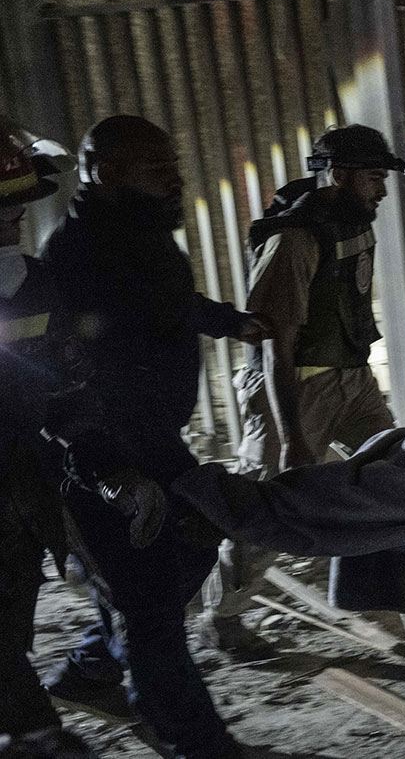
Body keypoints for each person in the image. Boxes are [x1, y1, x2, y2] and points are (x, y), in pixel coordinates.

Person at [39, 116, 266, 759]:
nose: (174, 177)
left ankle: (92, 672)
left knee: (171, 559)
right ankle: (194, 740)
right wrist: (102, 460)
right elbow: (57, 365)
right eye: (156, 166)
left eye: (173, 164)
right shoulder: (78, 252)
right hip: (107, 448)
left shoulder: (138, 236)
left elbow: (165, 304)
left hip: (150, 434)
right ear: (106, 171)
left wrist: (230, 321)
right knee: (151, 604)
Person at [200, 125, 403, 649]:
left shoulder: (353, 221)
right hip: (293, 387)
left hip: (352, 379)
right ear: (338, 175)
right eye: (374, 178)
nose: (383, 190)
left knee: (394, 479)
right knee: (268, 508)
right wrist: (291, 435)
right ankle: (223, 615)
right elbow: (276, 343)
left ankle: (395, 606)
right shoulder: (294, 238)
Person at [0, 128, 71, 740]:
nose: (16, 218)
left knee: (14, 607)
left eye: (17, 206)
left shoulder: (39, 282)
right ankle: (33, 729)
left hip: (23, 476)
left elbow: (64, 378)